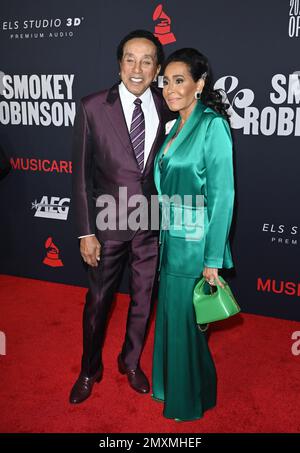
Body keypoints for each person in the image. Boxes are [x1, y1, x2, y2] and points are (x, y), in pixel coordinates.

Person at [70, 30, 174, 404]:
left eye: (147, 60)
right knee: (98, 301)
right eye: (130, 58)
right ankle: (88, 368)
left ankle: (130, 362)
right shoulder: (93, 106)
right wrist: (86, 232)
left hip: (149, 221)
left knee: (144, 299)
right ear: (119, 64)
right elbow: (81, 175)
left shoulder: (167, 106)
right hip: (107, 223)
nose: (137, 67)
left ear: (157, 68)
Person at [152, 48, 235, 421]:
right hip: (171, 240)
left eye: (179, 80)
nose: (170, 88)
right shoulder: (173, 126)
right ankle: (176, 387)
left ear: (200, 84)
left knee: (189, 325)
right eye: (166, 81)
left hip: (197, 243)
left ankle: (191, 399)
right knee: (173, 318)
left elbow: (223, 195)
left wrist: (213, 258)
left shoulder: (212, 125)